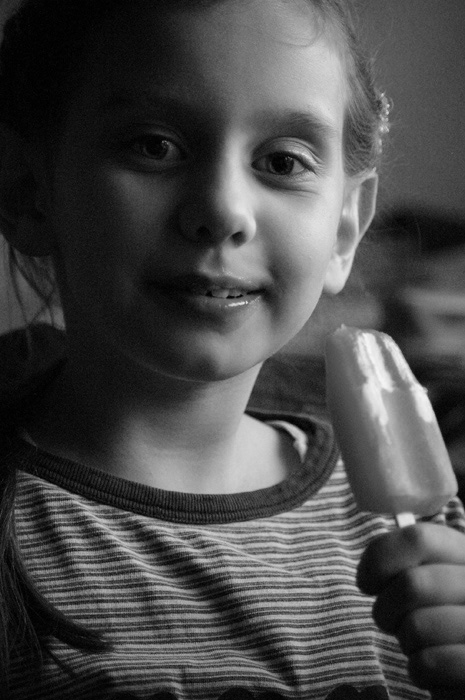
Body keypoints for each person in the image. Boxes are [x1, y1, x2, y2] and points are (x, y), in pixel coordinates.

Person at [0, 0, 464, 698]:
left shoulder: (427, 536)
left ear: (344, 228)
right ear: (29, 190)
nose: (222, 209)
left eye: (282, 161)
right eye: (153, 146)